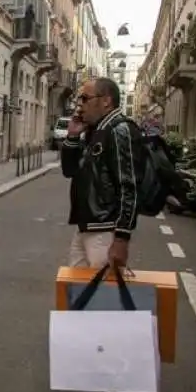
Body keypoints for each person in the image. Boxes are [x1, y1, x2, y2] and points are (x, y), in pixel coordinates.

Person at [61, 78, 140, 269]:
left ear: (106, 100)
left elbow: (128, 186)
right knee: (77, 290)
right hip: (87, 226)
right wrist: (72, 137)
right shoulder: (98, 130)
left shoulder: (119, 129)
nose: (80, 106)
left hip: (105, 229)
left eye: (85, 98)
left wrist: (121, 237)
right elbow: (70, 170)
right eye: (80, 99)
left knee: (103, 293)